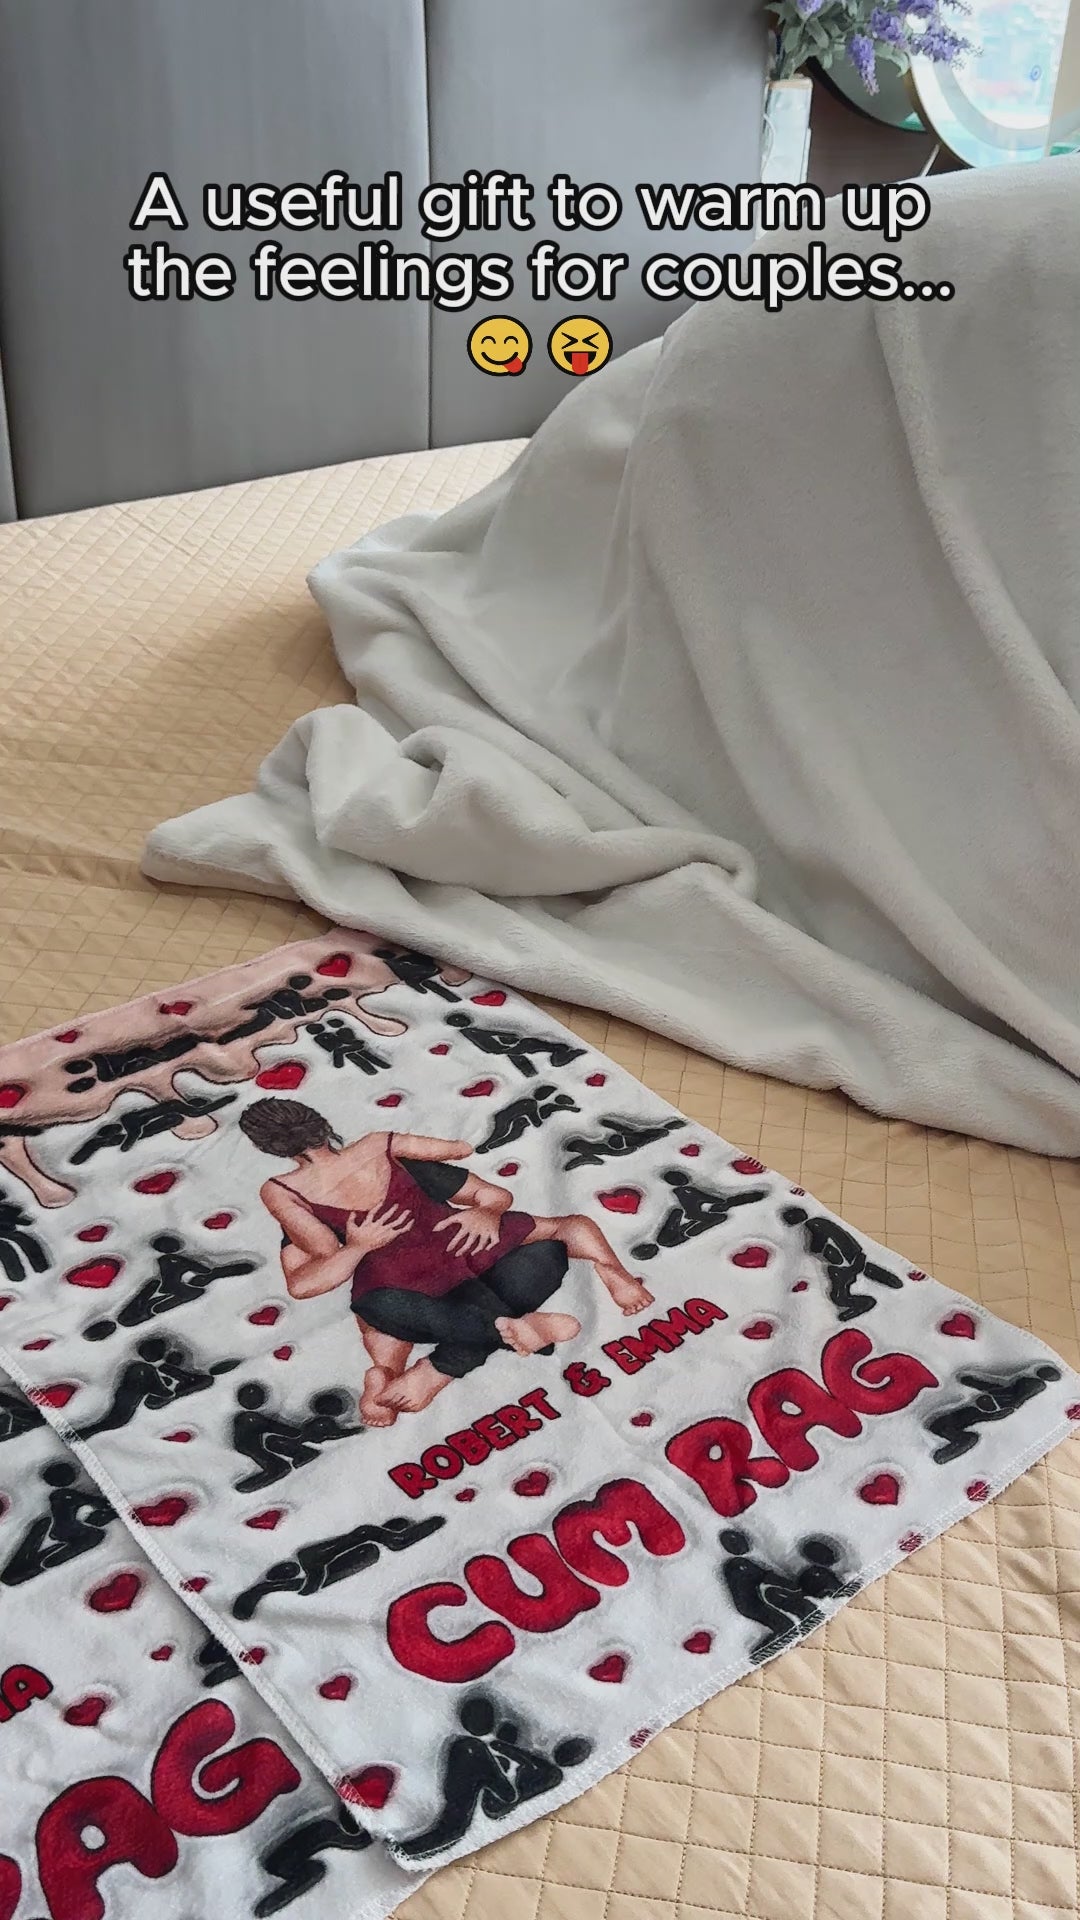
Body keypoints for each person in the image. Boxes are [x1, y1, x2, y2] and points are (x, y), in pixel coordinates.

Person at [239, 1097, 653, 1425]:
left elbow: (317, 1262)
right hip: (452, 1250)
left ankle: (408, 1374)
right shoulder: (380, 1145)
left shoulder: (282, 1193)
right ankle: (595, 1285)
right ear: (319, 1123)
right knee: (557, 1235)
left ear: (267, 1148)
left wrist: (357, 1246)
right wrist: (480, 1201)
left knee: (383, 1314)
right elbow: (460, 1149)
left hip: (405, 1277)